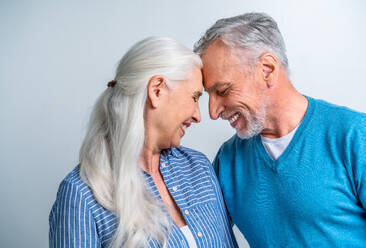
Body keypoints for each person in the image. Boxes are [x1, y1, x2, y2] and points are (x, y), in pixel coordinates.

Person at [194, 12, 366, 247]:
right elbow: (198, 236)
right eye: (208, 95)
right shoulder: (227, 161)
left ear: (266, 69)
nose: (213, 112)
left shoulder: (355, 136)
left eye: (223, 90)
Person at [49, 37, 238, 248]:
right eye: (194, 97)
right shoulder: (81, 194)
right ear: (156, 90)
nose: (198, 115)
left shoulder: (199, 168)